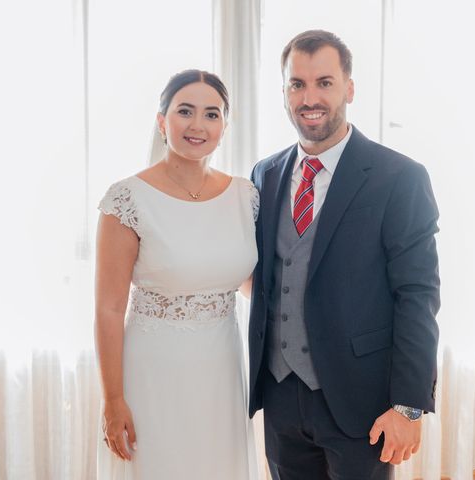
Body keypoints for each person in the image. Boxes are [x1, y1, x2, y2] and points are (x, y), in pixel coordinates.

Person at [248, 30, 440, 479]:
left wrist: (409, 406)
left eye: (325, 82)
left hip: (362, 401)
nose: (309, 97)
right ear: (283, 92)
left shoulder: (399, 177)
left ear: (349, 88)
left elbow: (417, 295)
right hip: (278, 397)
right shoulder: (265, 174)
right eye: (297, 84)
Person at [95, 69, 260, 480]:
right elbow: (109, 308)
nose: (197, 125)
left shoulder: (246, 195)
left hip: (221, 370)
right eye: (185, 111)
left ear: (225, 125)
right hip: (152, 372)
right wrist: (113, 400)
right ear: (161, 120)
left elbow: (251, 283)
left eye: (212, 114)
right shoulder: (127, 198)